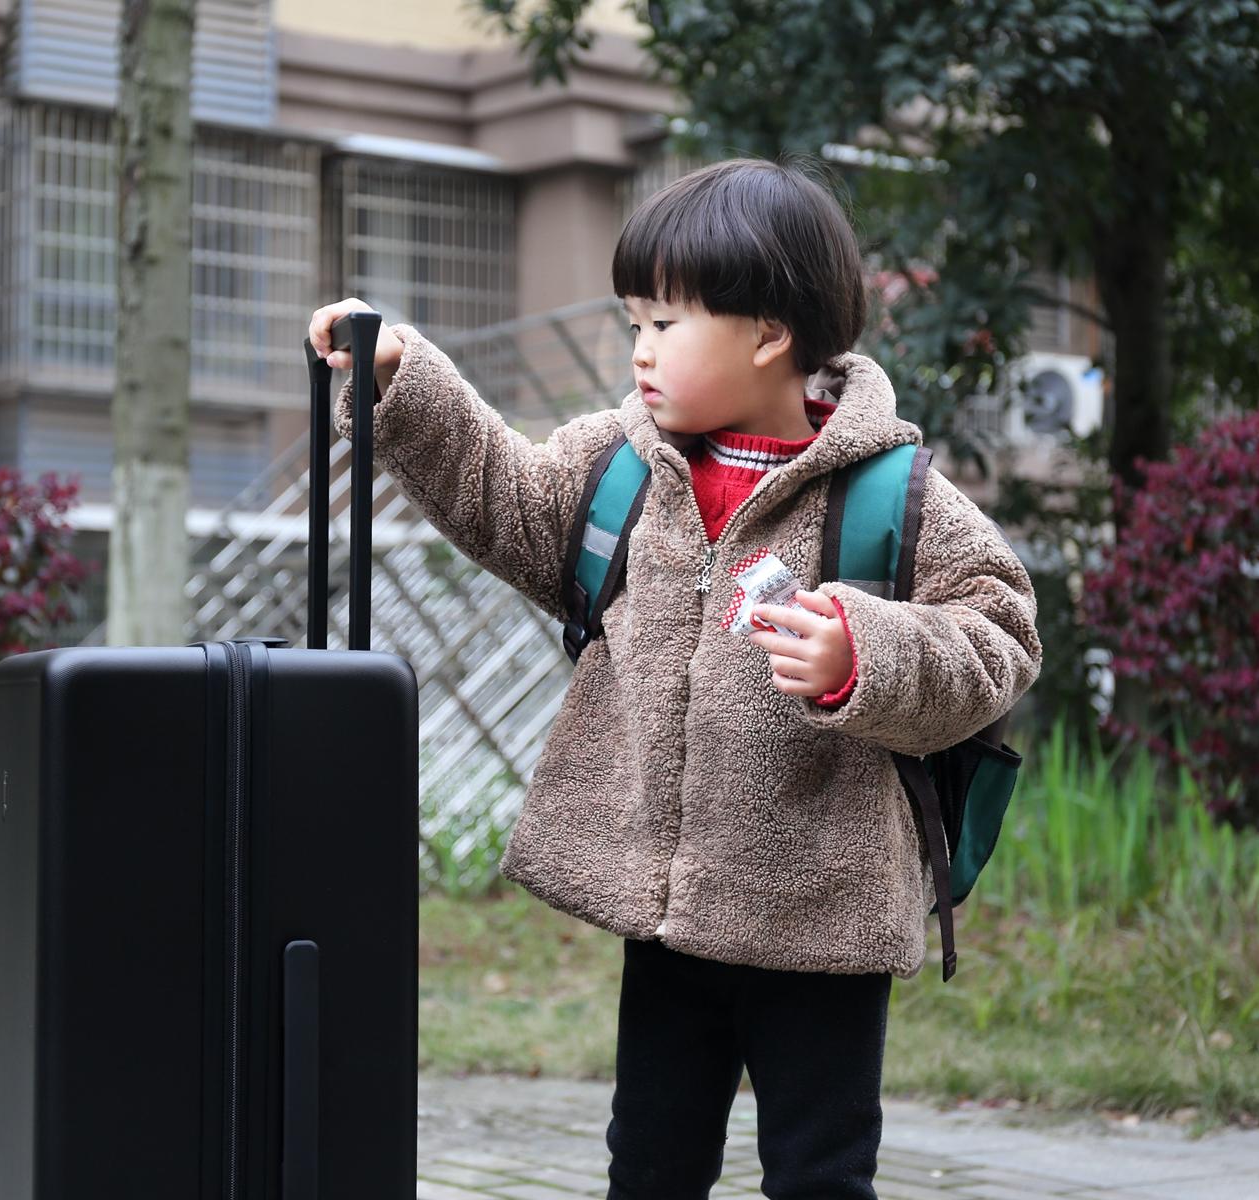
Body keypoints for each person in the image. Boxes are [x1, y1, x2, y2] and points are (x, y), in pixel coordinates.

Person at [307, 157, 1041, 1199]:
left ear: (768, 334)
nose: (640, 350)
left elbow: (998, 633)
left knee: (821, 1174)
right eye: (634, 324)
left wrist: (863, 650)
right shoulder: (622, 463)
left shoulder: (889, 491)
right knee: (648, 1166)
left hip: (821, 922)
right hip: (667, 912)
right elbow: (502, 494)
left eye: (664, 324)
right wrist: (401, 379)